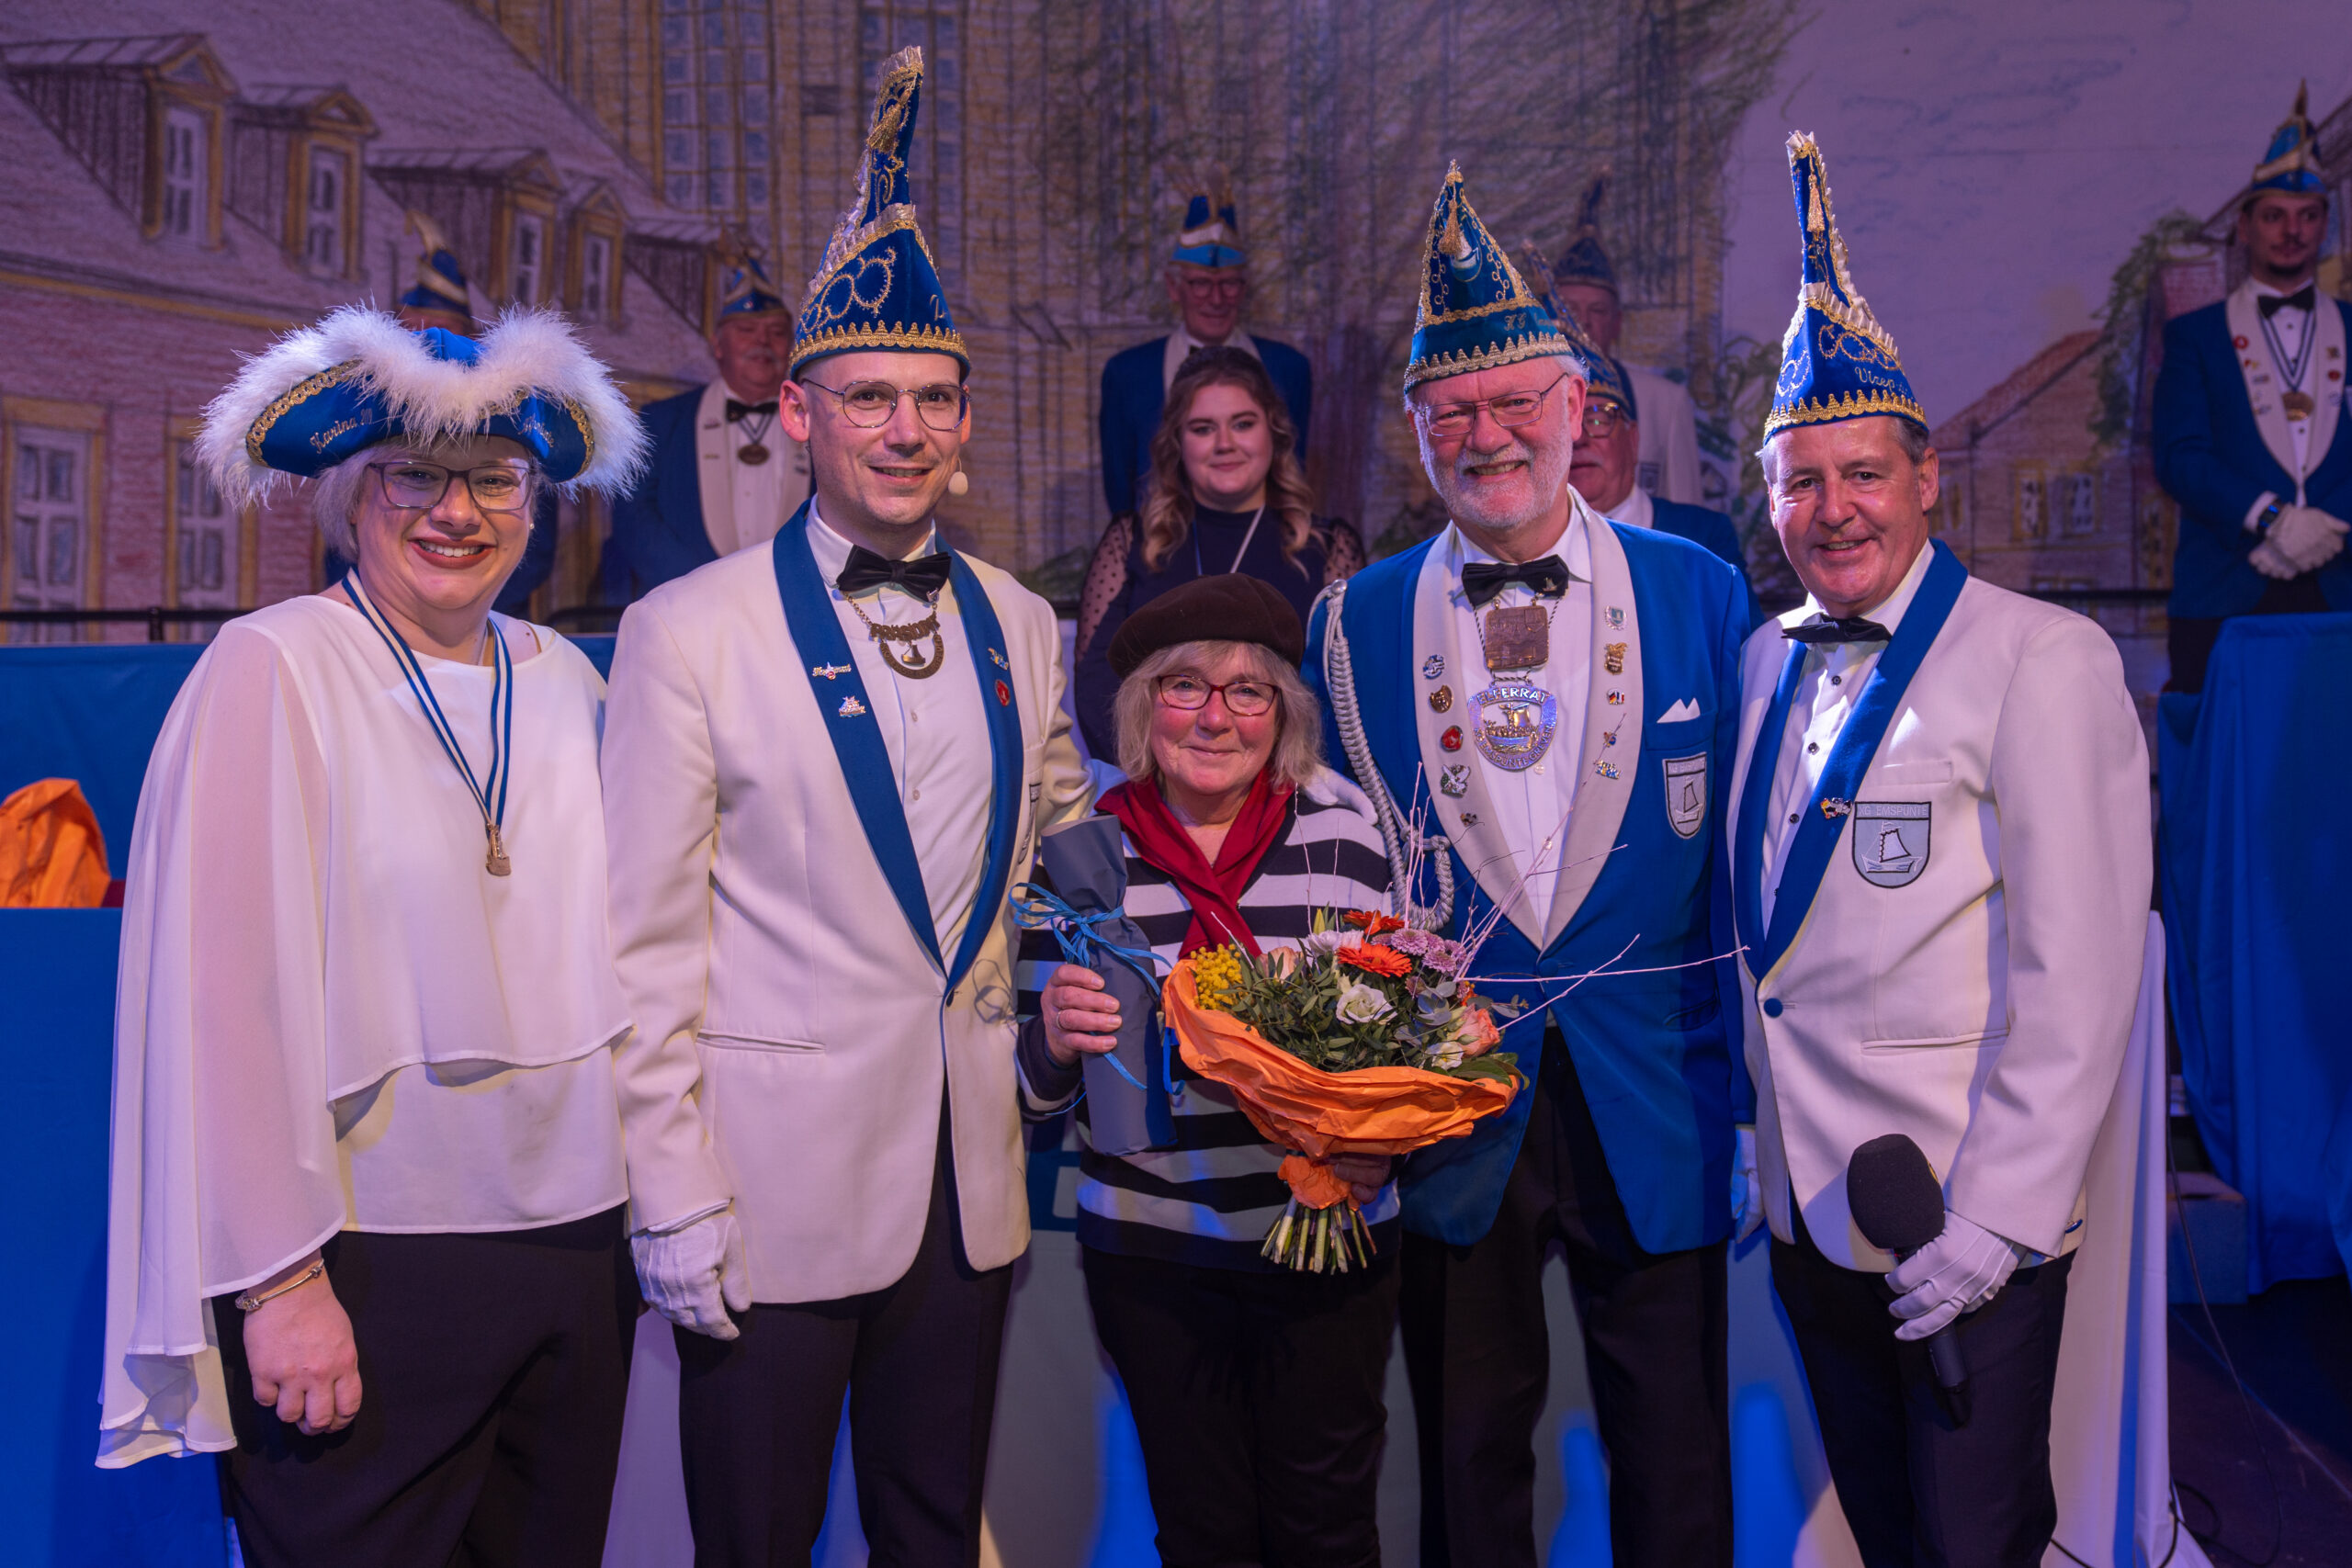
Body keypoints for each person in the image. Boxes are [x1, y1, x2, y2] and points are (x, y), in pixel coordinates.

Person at [598, 51, 1091, 1566]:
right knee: (752, 1543)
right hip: (768, 1195)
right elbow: (637, 942)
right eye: (869, 396)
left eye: (934, 399)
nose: (905, 428)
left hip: (969, 1187)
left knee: (934, 1535)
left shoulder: (1021, 618)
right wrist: (669, 1193)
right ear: (800, 413)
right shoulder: (688, 626)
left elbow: (1056, 858)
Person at [100, 305, 657, 1568]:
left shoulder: (567, 677)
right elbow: (222, 998)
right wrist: (279, 1281)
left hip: (576, 1251)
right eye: (418, 474)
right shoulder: (274, 665)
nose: (456, 511)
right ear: (352, 496)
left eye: (495, 479)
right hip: (367, 1263)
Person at [1305, 162, 1752, 1568]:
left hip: (1657, 1080)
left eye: (1515, 406)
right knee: (1467, 1454)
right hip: (1456, 1095)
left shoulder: (1703, 586)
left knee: (1674, 1451)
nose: (1489, 436)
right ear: (1415, 437)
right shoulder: (1353, 621)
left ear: (1577, 408)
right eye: (1455, 416)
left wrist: (1755, 1097)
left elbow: (1742, 855)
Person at [1729, 133, 2151, 1567]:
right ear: (1769, 499)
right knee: (1891, 1536)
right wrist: (1760, 1145)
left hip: (1958, 1206)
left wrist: (2004, 1212)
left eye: (1862, 473)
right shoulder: (1754, 662)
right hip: (1809, 1200)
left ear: (1925, 482)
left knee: (1977, 1545)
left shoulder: (2044, 656)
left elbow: (2081, 964)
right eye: (1801, 481)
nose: (1832, 508)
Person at [1018, 573, 1399, 1568]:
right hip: (1155, 1249)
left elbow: (1403, 1043)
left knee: (1328, 1528)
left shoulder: (1344, 835)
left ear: (1284, 711)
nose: (1215, 717)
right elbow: (1028, 1093)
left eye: (1247, 690)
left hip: (1324, 1238)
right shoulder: (1079, 851)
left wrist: (1377, 1150)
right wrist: (1054, 1038)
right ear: (1143, 705)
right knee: (1201, 1528)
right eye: (1184, 686)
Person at [2154, 83, 2351, 694]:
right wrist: (2271, 519)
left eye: (2307, 217)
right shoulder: (2193, 336)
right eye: (2273, 216)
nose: (2291, 231)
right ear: (2245, 226)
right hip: (2226, 584)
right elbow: (2180, 458)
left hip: (2341, 582)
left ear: (2326, 225)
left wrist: (2328, 523)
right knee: (2224, 773)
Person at [1075, 345, 1365, 758]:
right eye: (1203, 428)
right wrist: (1168, 774)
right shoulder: (1131, 540)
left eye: (1243, 424)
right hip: (1154, 786)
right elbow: (1096, 685)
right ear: (1178, 441)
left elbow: (1346, 695)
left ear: (1275, 431)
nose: (1224, 443)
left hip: (1287, 789)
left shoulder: (1329, 548)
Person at [320, 211, 557, 613]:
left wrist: (463, 605)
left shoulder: (518, 433)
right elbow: (341, 548)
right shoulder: (363, 429)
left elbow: (532, 552)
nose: (457, 513)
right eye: (414, 334)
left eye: (494, 480)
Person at [1524, 240, 1759, 626]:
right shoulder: (1516, 548)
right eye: (1561, 422)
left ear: (1633, 440)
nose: (1580, 436)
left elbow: (1744, 656)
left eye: (1598, 417)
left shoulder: (1701, 540)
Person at [598, 241, 813, 603]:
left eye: (776, 333)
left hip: (797, 602)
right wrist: (704, 591)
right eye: (746, 331)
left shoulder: (821, 423)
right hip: (685, 605)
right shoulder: (660, 422)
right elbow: (634, 523)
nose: (762, 342)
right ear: (717, 345)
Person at [1099, 169, 1314, 516]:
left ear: (1243, 289)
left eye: (1228, 284)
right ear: (1173, 287)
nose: (1215, 298)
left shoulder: (1289, 368)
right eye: (1200, 284)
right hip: (1160, 551)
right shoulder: (1127, 373)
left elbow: (1293, 470)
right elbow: (1120, 489)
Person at [1545, 173, 1705, 506]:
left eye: (1598, 310)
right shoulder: (1526, 399)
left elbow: (1685, 511)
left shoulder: (1664, 402)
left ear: (1617, 322)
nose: (1583, 322)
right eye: (1570, 309)